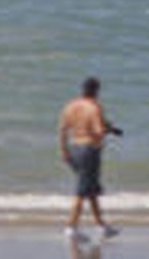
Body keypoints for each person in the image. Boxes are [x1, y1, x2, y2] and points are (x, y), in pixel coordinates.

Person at [59, 77, 121, 240]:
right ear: (96, 90)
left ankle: (102, 226)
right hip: (89, 150)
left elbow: (63, 130)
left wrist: (64, 151)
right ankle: (70, 227)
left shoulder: (70, 106)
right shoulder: (94, 107)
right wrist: (108, 130)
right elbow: (98, 130)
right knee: (82, 190)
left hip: (73, 147)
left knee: (91, 188)